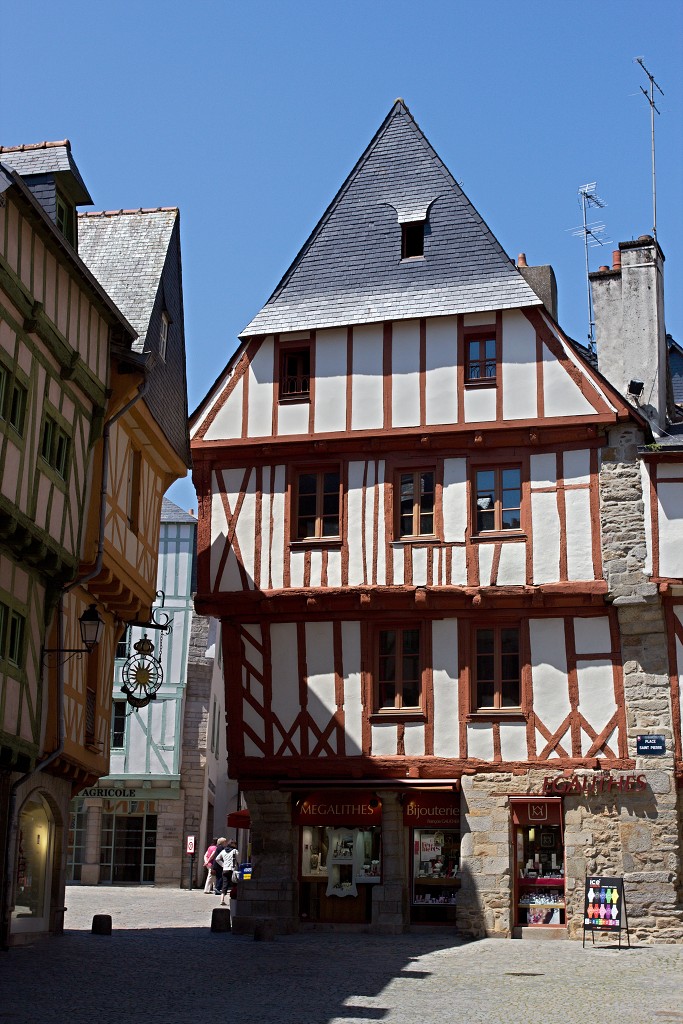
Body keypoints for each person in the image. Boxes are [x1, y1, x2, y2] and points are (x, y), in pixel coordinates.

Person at [216, 839, 239, 906]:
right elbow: (239, 860)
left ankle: (222, 900)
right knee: (235, 884)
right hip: (232, 870)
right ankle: (234, 898)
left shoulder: (223, 851)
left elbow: (217, 859)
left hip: (225, 870)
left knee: (224, 885)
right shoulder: (235, 851)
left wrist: (223, 865)